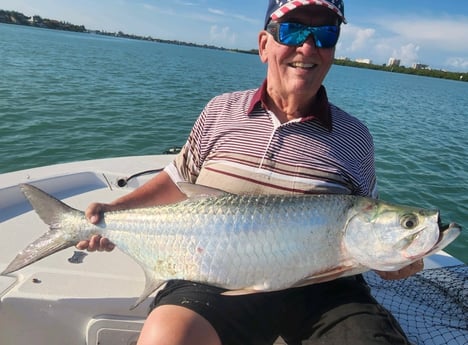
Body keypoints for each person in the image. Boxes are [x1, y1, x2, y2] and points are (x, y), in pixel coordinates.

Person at [78, 1, 423, 344]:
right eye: (294, 30)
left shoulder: (355, 136)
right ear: (263, 45)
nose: (308, 46)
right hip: (214, 272)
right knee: (169, 338)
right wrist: (114, 211)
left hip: (323, 286)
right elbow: (175, 179)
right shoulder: (220, 110)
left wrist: (391, 258)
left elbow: (368, 221)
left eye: (325, 33)